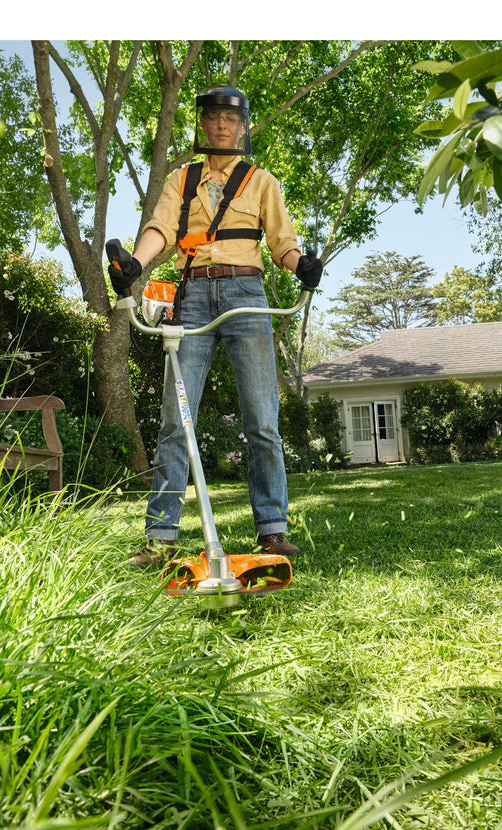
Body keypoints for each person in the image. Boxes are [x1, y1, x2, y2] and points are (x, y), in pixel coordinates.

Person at [109, 85, 322, 566]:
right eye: (213, 117)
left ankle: (272, 530)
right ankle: (161, 537)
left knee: (262, 418)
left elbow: (281, 244)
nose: (221, 125)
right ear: (202, 124)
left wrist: (300, 266)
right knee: (174, 418)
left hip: (246, 295)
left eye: (230, 118)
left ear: (243, 125)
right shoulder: (181, 180)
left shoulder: (262, 182)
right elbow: (159, 231)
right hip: (193, 295)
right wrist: (134, 266)